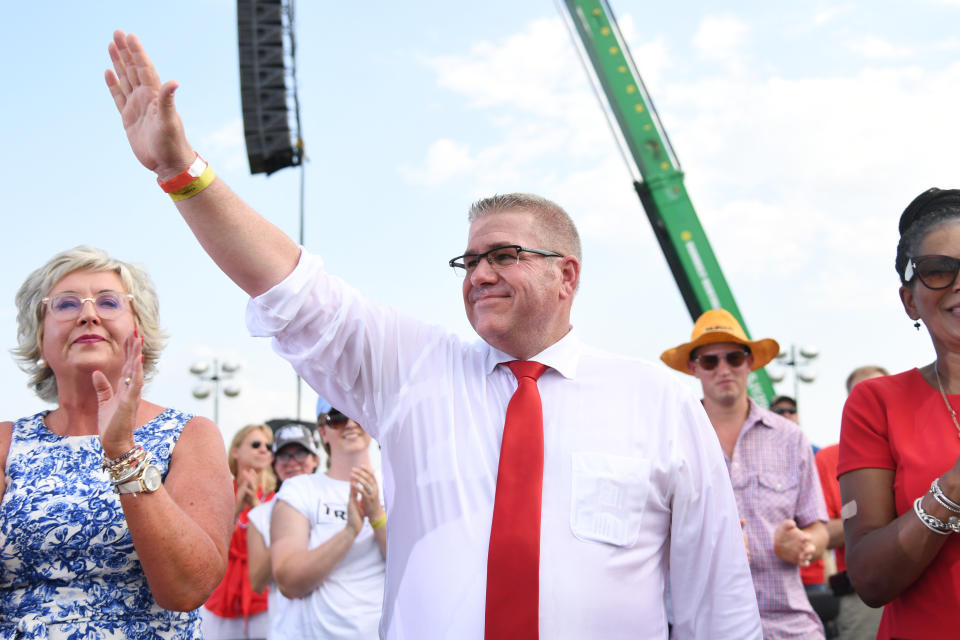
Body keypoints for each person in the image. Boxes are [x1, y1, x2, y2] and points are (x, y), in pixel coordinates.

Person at [105, 30, 761, 638]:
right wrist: (181, 171)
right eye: (469, 261)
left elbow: (718, 599)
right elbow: (291, 289)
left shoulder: (657, 400)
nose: (480, 274)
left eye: (503, 256)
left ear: (567, 275)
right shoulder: (415, 371)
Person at [0, 246, 234, 638]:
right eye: (66, 304)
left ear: (139, 333)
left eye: (109, 302)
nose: (88, 314)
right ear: (40, 340)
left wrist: (123, 453)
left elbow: (187, 589)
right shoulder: (8, 442)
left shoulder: (190, 434)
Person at [661, 308, 829, 640]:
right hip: (703, 625)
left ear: (749, 362)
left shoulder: (790, 437)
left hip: (788, 624)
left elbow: (817, 526)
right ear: (693, 368)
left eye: (733, 358)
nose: (723, 369)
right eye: (710, 361)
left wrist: (803, 544)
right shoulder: (669, 438)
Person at [838, 187, 960, 639]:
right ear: (909, 301)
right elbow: (870, 580)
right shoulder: (877, 403)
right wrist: (949, 492)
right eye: (940, 271)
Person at [268, 408, 385, 639]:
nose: (351, 423)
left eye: (359, 413)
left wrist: (377, 517)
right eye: (337, 417)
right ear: (322, 432)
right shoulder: (300, 489)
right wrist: (349, 532)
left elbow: (412, 568)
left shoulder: (395, 484)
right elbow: (289, 581)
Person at [816, 366, 888, 640]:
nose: (875, 398)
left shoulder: (916, 446)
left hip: (929, 586)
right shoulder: (827, 459)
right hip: (864, 596)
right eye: (864, 393)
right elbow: (820, 531)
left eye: (882, 390)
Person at [201, 424, 277, 639]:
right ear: (235, 451)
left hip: (263, 595)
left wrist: (254, 505)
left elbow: (279, 545)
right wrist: (236, 508)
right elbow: (208, 540)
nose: (263, 449)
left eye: (268, 446)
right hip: (221, 593)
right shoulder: (217, 493)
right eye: (255, 444)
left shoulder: (277, 498)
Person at [247, 421, 321, 639]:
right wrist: (284, 530)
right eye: (284, 456)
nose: (292, 463)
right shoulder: (259, 516)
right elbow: (258, 583)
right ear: (274, 463)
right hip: (287, 631)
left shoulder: (338, 502)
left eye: (300, 453)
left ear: (315, 459)